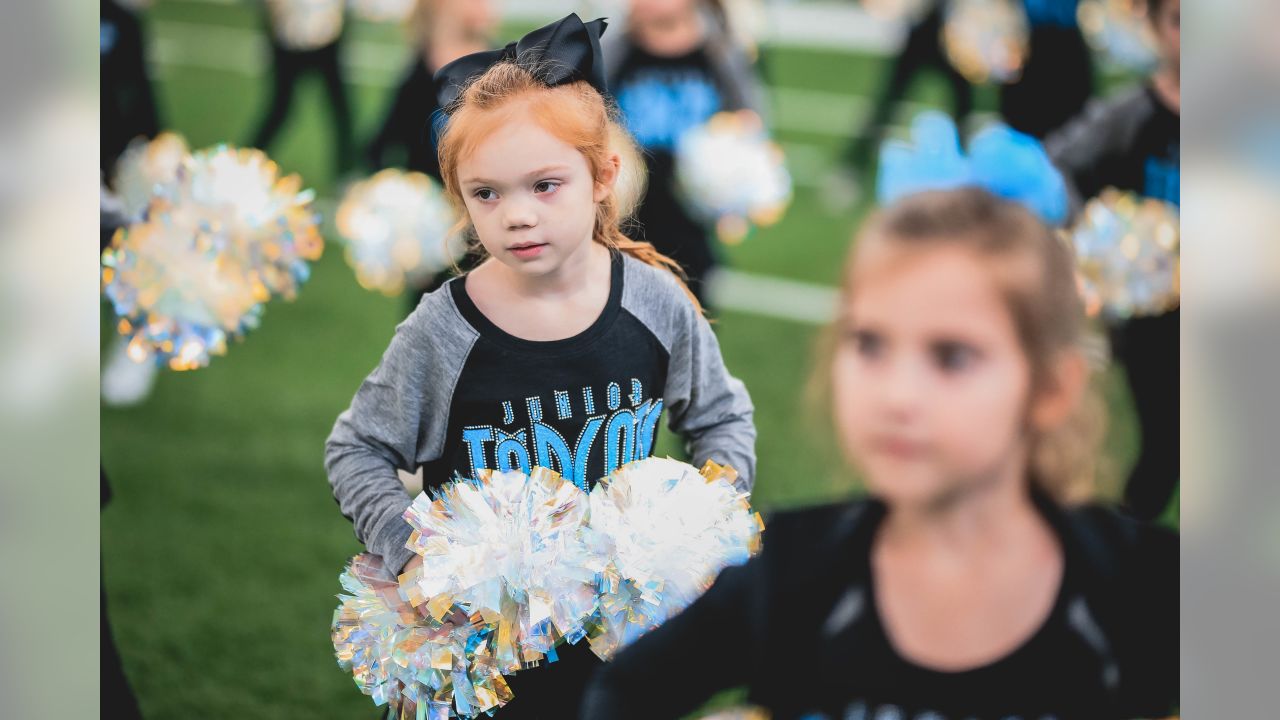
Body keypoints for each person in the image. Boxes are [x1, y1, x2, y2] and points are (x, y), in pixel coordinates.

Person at [581, 125, 1178, 720]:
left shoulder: (1142, 589)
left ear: (1050, 389)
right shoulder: (796, 574)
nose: (897, 394)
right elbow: (622, 694)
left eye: (952, 356)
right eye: (869, 344)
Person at [325, 15, 757, 718]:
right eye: (486, 193)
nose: (516, 216)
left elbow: (720, 415)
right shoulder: (444, 327)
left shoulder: (653, 300)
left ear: (603, 176)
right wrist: (415, 555)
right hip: (483, 652)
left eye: (545, 185)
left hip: (617, 645)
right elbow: (358, 447)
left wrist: (704, 523)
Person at [1046, 0, 1180, 521]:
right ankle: (1121, 547)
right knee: (1168, 443)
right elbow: (1057, 167)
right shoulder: (1130, 114)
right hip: (1152, 320)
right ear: (1152, 25)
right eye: (1180, 21)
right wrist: (1098, 235)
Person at [604, 0, 766, 305]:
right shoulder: (616, 51)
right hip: (629, 217)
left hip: (691, 218)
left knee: (693, 310)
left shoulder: (718, 52)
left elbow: (751, 120)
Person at [364, 0, 498, 314]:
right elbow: (379, 147)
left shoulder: (503, 67)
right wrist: (398, 216)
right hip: (432, 239)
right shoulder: (421, 71)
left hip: (487, 236)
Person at [247, 0, 355, 175]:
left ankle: (345, 169)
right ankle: (250, 158)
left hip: (326, 40)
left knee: (340, 111)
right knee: (281, 109)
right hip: (291, 42)